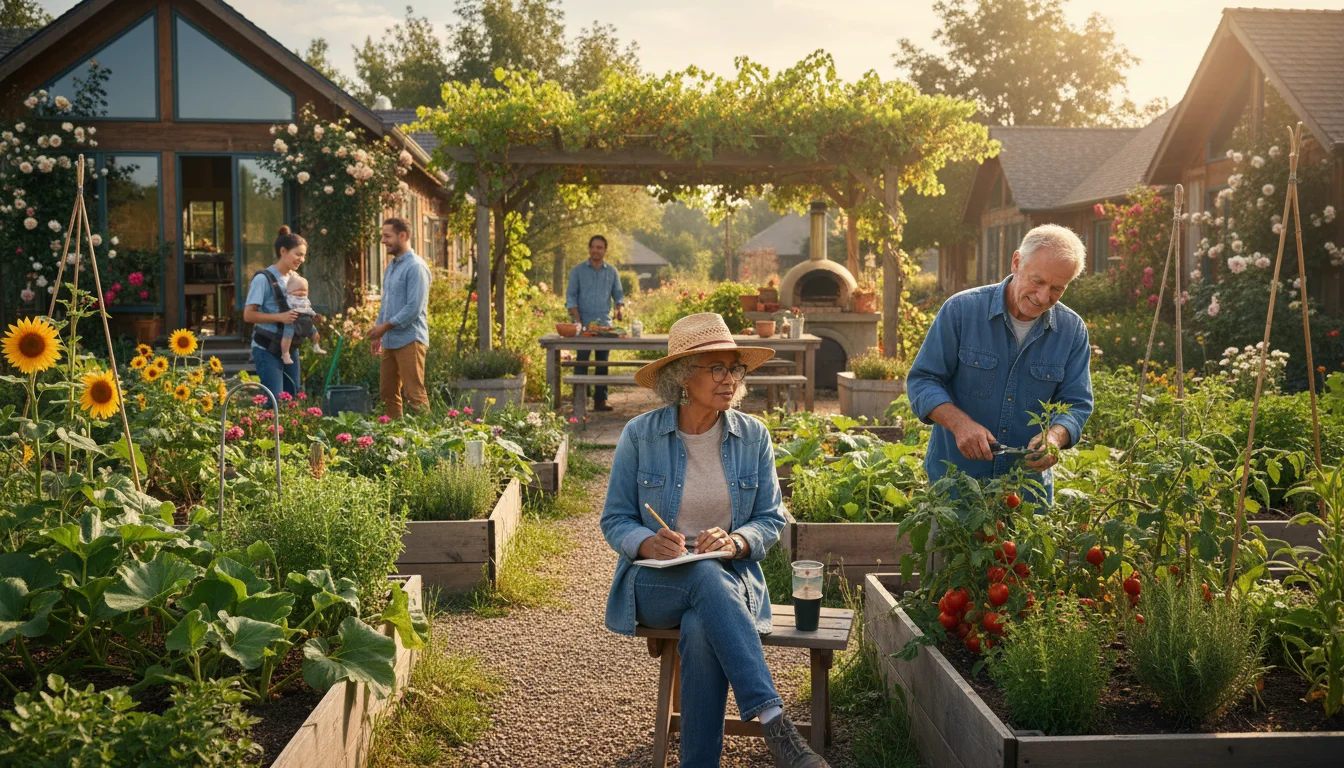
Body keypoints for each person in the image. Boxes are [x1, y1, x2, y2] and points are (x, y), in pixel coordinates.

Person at [601, 313, 830, 768]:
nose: (731, 380)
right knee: (701, 574)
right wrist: (648, 544)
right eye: (718, 369)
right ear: (683, 376)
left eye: (735, 369)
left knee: (703, 624)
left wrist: (737, 543)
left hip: (731, 583)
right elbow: (615, 520)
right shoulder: (640, 435)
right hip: (655, 586)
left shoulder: (753, 436)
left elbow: (769, 518)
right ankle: (775, 723)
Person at [905, 224, 1095, 503]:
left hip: (1027, 493)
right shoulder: (961, 311)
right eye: (1038, 281)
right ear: (1017, 262)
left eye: (1057, 288)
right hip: (957, 487)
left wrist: (1055, 436)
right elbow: (923, 380)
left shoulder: (1072, 331)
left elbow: (1077, 402)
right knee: (950, 548)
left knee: (1023, 549)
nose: (1044, 297)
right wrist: (960, 425)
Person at [366, 217, 431, 419]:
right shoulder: (392, 266)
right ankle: (395, 439)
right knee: (388, 393)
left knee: (414, 393)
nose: (383, 240)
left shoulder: (416, 267)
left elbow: (414, 307)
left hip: (410, 339)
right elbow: (387, 304)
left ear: (403, 236)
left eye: (387, 236)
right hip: (390, 339)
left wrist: (384, 327)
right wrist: (379, 333)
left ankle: (429, 440)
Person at [243, 226, 306, 401]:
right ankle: (265, 427)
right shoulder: (263, 279)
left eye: (303, 255)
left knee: (291, 398)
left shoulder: (295, 278)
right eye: (298, 254)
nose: (302, 259)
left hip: (289, 347)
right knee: (274, 401)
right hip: (266, 347)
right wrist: (280, 317)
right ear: (283, 251)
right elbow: (248, 315)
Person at [566, 234, 624, 412]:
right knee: (581, 361)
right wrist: (577, 320)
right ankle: (579, 400)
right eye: (593, 247)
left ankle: (600, 400)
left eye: (600, 247)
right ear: (589, 248)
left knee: (602, 363)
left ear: (605, 250)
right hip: (583, 325)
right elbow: (571, 297)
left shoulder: (612, 271)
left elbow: (619, 296)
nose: (596, 250)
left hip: (605, 326)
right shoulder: (578, 271)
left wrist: (619, 309)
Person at [278, 272, 327, 365]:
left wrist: (314, 315)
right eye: (298, 290)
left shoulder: (305, 300)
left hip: (305, 320)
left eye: (304, 291)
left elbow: (308, 309)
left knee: (315, 334)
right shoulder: (289, 298)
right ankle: (285, 354)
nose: (302, 293)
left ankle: (316, 346)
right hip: (293, 320)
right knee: (288, 335)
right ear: (289, 291)